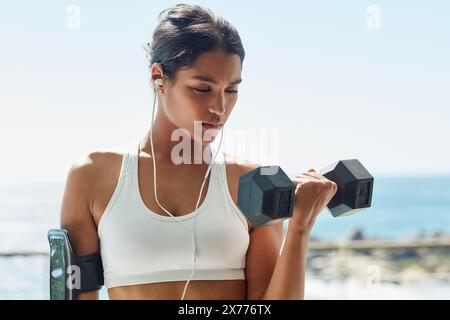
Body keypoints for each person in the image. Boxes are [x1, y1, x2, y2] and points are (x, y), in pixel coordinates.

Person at [60, 3, 337, 300]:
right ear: (159, 77)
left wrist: (300, 226)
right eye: (202, 89)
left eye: (231, 90)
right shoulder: (91, 176)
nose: (220, 108)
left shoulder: (255, 182)